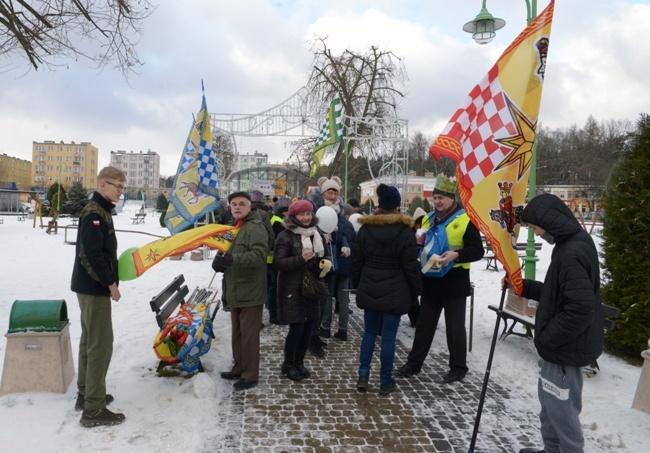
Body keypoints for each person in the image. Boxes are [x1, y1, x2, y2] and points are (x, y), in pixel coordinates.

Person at [514, 194, 604, 453]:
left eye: (534, 227)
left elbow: (580, 307)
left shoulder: (571, 251)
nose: (536, 232)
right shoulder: (571, 244)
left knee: (563, 415)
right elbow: (560, 294)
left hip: (564, 350)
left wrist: (547, 339)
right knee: (550, 408)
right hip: (561, 348)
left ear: (547, 221)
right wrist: (524, 287)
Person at [397, 174, 484, 383]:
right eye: (435, 197)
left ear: (451, 199)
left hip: (455, 280)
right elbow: (420, 244)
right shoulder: (427, 218)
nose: (437, 201)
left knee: (455, 328)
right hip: (431, 279)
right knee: (424, 324)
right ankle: (414, 364)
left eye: (441, 198)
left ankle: (458, 367)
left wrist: (456, 255)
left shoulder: (466, 219)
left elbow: (477, 251)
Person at [351, 184, 421, 395]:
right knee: (389, 337)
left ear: (379, 205)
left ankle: (363, 375)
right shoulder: (405, 231)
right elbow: (411, 266)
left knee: (370, 333)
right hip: (395, 289)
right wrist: (416, 290)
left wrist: (358, 285)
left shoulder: (366, 229)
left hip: (370, 286)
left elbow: (357, 262)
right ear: (398, 206)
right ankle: (385, 381)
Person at [71, 166, 126, 427]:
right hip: (94, 288)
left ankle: (86, 393)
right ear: (102, 185)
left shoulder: (101, 210)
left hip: (89, 287)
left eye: (122, 187)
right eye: (117, 186)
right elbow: (90, 255)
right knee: (101, 345)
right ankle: (93, 408)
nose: (120, 191)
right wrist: (110, 284)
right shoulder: (94, 213)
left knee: (90, 341)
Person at [212, 191, 269, 391]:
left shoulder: (255, 227)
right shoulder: (232, 227)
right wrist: (218, 263)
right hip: (234, 288)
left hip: (251, 290)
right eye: (233, 204)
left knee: (249, 336)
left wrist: (234, 260)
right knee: (237, 333)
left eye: (241, 204)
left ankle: (250, 374)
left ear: (249, 207)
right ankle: (239, 367)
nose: (237, 207)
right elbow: (224, 252)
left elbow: (259, 255)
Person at [273, 199, 332, 380]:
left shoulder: (317, 233)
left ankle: (299, 362)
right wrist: (300, 258)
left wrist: (326, 262)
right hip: (292, 289)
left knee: (308, 328)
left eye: (308, 213)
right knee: (296, 328)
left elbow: (326, 253)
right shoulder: (285, 236)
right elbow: (278, 263)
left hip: (312, 287)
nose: (306, 217)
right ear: (293, 216)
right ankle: (289, 363)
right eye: (301, 214)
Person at [308, 176, 350, 354]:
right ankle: (312, 335)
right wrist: (319, 235)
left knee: (325, 297)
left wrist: (345, 244)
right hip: (315, 259)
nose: (332, 195)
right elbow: (306, 229)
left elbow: (342, 232)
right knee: (316, 298)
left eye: (335, 192)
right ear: (322, 192)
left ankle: (316, 334)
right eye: (329, 192)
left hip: (332, 261)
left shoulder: (339, 212)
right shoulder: (313, 209)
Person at [268, 196, 291, 325]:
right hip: (276, 260)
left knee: (275, 287)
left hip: (274, 259)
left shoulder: (276, 219)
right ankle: (275, 315)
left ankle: (276, 313)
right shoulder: (279, 223)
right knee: (276, 289)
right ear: (284, 211)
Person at [408, 206, 428, 327]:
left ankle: (420, 317)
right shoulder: (410, 233)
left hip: (424, 266)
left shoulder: (427, 231)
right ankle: (415, 319)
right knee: (413, 295)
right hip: (414, 267)